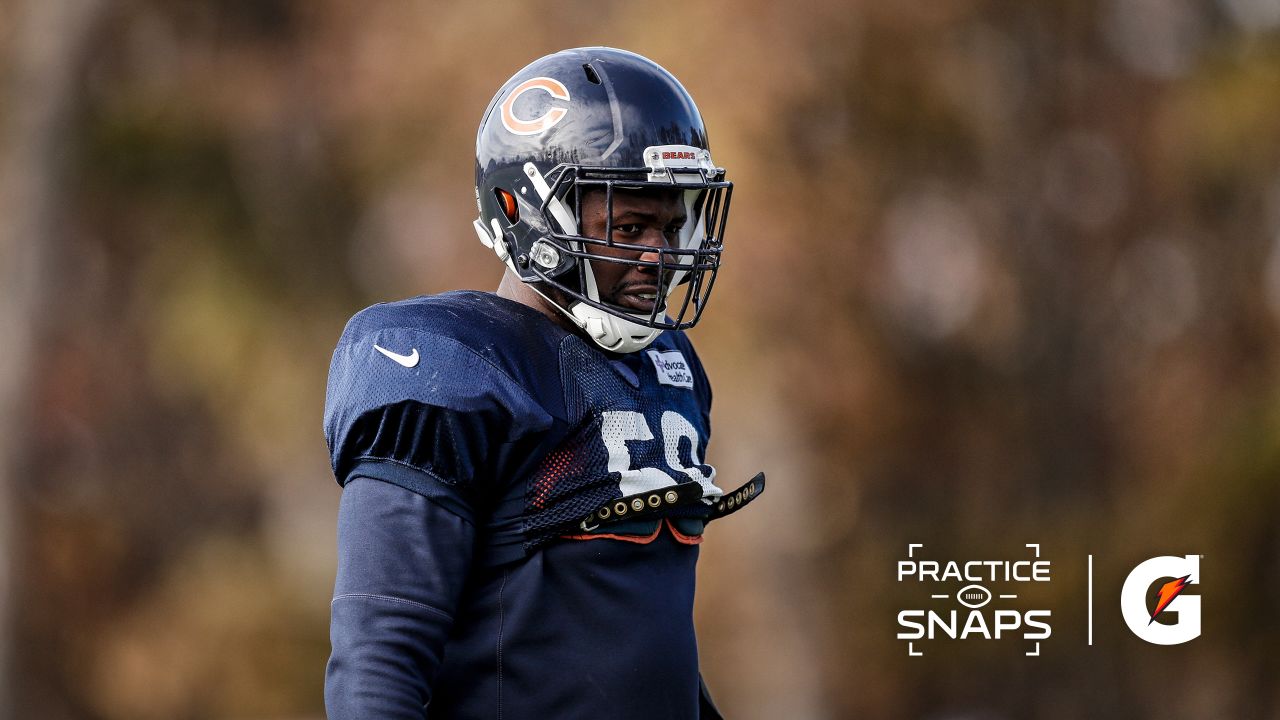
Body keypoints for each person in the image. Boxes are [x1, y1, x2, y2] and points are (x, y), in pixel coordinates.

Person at [322, 46, 763, 719]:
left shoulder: (667, 367)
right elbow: (382, 649)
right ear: (521, 210)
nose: (661, 255)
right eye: (629, 226)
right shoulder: (454, 364)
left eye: (672, 227)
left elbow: (641, 640)